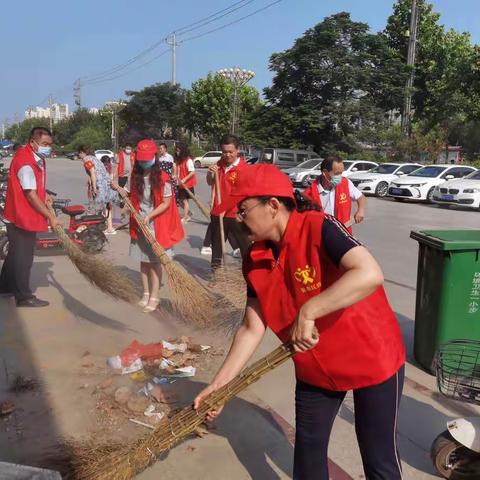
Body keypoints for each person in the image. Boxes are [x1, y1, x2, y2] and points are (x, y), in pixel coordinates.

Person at [194, 164, 406, 480]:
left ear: (273, 206)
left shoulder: (319, 228)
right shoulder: (255, 260)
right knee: (308, 452)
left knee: (378, 457)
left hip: (372, 358)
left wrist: (309, 311)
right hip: (316, 368)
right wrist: (220, 385)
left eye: (243, 210)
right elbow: (252, 327)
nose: (238, 219)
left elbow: (369, 273)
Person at [112, 139, 184, 313]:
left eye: (147, 159)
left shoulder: (163, 178)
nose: (144, 163)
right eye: (141, 160)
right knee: (143, 262)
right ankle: (145, 293)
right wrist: (120, 190)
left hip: (156, 224)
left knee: (154, 263)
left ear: (154, 157)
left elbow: (166, 203)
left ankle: (154, 296)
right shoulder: (135, 176)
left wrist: (150, 216)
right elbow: (131, 196)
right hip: (139, 223)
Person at [0, 127, 62, 307]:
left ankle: (4, 287)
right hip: (21, 216)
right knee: (24, 258)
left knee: (14, 254)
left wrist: (45, 195)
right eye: (44, 144)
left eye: (50, 144)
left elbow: (35, 188)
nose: (47, 148)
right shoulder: (25, 162)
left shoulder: (34, 157)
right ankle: (24, 297)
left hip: (17, 214)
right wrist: (50, 216)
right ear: (32, 143)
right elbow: (30, 195)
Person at [206, 134, 250, 269]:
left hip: (237, 214)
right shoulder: (218, 165)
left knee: (246, 247)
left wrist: (225, 207)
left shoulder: (244, 169)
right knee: (217, 246)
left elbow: (243, 194)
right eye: (224, 152)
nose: (227, 155)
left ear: (238, 150)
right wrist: (210, 174)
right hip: (218, 213)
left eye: (231, 152)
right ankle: (215, 274)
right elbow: (210, 182)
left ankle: (250, 274)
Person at [302, 155, 366, 233]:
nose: (340, 177)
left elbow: (361, 197)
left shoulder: (345, 183)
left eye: (341, 173)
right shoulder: (309, 194)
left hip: (343, 232)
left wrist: (361, 210)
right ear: (325, 173)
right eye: (337, 173)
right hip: (321, 235)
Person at [79, 146, 117, 235]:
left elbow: (92, 172)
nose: (79, 155)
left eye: (79, 153)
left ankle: (88, 228)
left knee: (94, 206)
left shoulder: (86, 159)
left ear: (83, 152)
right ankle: (110, 228)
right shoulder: (95, 159)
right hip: (107, 183)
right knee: (106, 206)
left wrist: (94, 187)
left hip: (100, 185)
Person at [174, 143, 196, 223]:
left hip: (187, 184)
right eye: (176, 151)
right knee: (180, 200)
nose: (177, 152)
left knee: (184, 200)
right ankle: (189, 213)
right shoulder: (178, 161)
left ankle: (186, 216)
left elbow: (192, 172)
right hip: (179, 184)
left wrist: (184, 179)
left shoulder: (188, 160)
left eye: (179, 151)